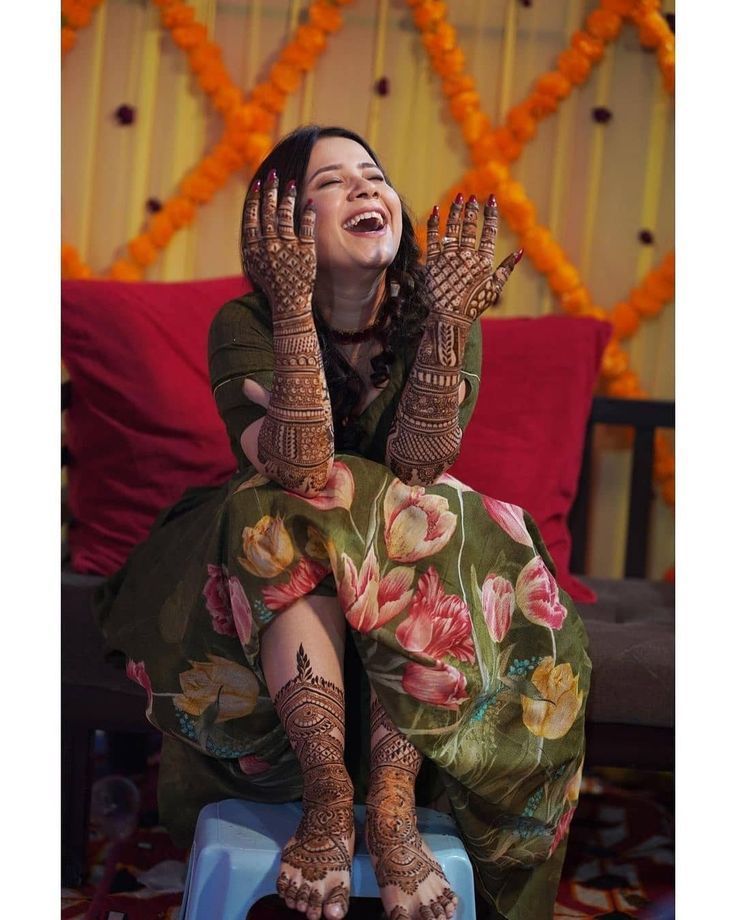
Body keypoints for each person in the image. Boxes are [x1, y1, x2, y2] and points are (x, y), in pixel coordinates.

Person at [97, 125, 591, 920]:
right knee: (284, 503)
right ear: (280, 223)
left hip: (400, 551)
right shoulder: (245, 320)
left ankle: (391, 806)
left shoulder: (444, 314)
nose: (366, 188)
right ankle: (330, 795)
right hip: (261, 554)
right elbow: (295, 468)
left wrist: (446, 331)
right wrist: (293, 308)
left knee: (428, 507)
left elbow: (420, 464)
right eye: (333, 182)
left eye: (374, 174)